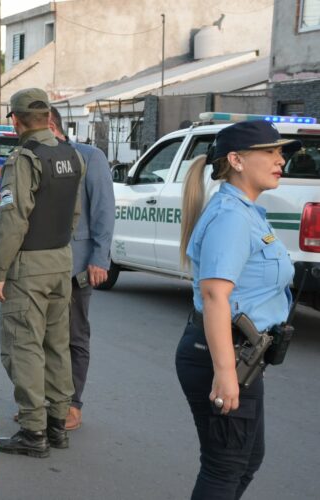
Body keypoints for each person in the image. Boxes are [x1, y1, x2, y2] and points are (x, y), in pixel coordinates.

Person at [176, 120, 298, 499]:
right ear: (236, 160)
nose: (280, 160)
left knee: (244, 460)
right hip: (222, 354)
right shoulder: (231, 216)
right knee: (225, 466)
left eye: (281, 153)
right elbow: (215, 296)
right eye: (270, 151)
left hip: (242, 353)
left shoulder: (246, 211)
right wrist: (226, 371)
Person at [0, 88, 84, 458]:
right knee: (57, 345)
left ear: (15, 120)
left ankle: (33, 430)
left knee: (23, 347)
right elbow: (74, 212)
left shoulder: (24, 159)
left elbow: (12, 219)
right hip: (61, 260)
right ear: (47, 117)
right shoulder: (71, 156)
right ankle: (58, 424)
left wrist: (0, 271)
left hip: (28, 266)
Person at [48, 106, 115, 430]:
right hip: (42, 265)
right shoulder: (34, 157)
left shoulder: (91, 157)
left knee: (74, 335)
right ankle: (48, 401)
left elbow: (104, 209)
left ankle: (72, 404)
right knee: (46, 337)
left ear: (48, 123)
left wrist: (100, 257)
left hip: (77, 264)